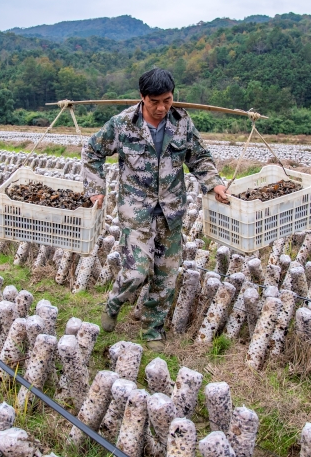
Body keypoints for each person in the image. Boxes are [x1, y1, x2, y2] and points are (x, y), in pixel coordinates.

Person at [82, 67, 228, 351]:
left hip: (171, 211)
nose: (162, 108)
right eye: (155, 102)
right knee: (136, 271)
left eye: (168, 100)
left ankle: (152, 330)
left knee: (166, 274)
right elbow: (92, 152)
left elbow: (199, 158)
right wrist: (95, 188)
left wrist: (215, 184)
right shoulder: (123, 124)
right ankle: (114, 302)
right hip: (136, 210)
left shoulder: (182, 123)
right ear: (142, 98)